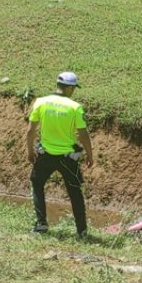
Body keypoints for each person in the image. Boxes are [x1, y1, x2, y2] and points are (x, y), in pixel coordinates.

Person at [27, 71, 94, 238]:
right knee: (75, 192)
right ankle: (82, 231)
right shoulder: (74, 107)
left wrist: (29, 151)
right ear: (70, 88)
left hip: (46, 155)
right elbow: (83, 134)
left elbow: (30, 131)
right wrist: (90, 154)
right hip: (68, 158)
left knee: (37, 183)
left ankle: (41, 224)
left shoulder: (41, 102)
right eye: (74, 88)